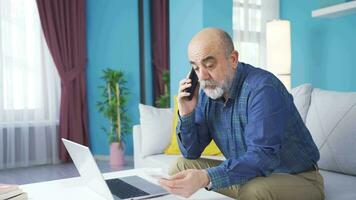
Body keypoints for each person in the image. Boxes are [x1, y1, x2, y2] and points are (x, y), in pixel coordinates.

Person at [158, 28, 324, 200]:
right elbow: (191, 153)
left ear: (233, 59)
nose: (203, 76)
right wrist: (186, 113)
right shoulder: (208, 94)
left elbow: (262, 157)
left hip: (297, 178)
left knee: (254, 191)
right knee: (180, 167)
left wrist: (206, 177)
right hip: (249, 176)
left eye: (209, 65)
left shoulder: (262, 89)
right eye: (196, 68)